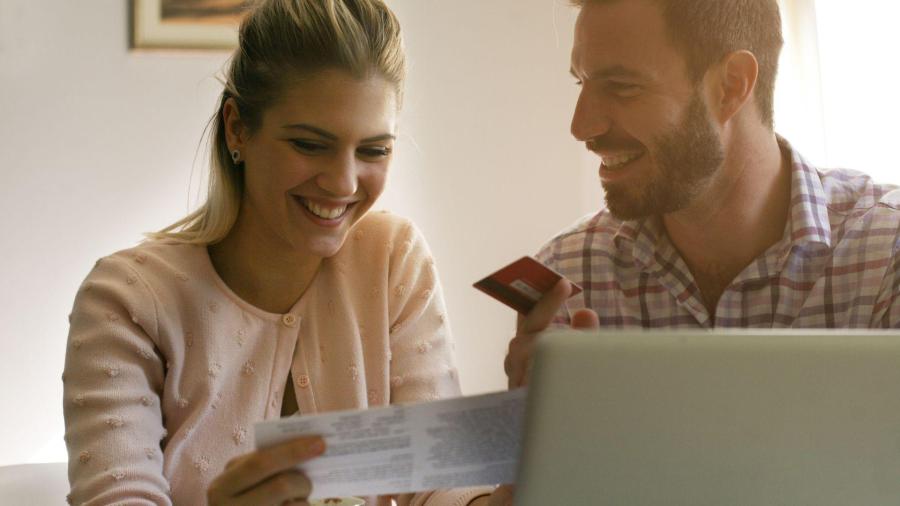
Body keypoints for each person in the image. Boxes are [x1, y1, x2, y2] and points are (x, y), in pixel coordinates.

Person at [62, 1, 490, 504]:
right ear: (237, 128)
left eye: (374, 150)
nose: (344, 183)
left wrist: (515, 487)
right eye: (310, 144)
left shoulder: (393, 257)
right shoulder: (126, 301)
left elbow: (437, 485)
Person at [488, 0, 900, 503]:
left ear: (730, 86)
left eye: (621, 87)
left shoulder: (887, 255)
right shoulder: (569, 279)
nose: (582, 126)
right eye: (582, 83)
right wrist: (526, 462)